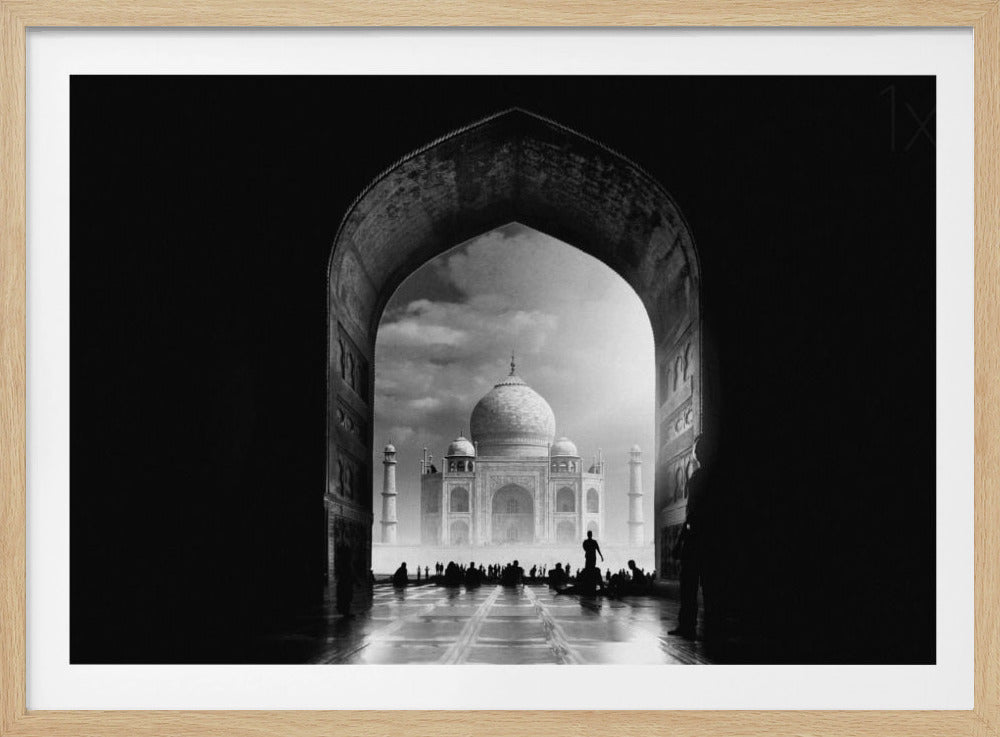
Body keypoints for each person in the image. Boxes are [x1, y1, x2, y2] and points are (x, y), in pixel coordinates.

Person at [669, 433, 716, 640]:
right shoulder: (717, 475)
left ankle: (688, 625)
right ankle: (713, 627)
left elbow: (692, 512)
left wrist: (680, 539)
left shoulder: (699, 477)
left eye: (698, 449)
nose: (695, 452)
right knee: (710, 585)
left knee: (689, 585)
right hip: (710, 539)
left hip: (697, 537)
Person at [334, 546, 355, 616]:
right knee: (346, 597)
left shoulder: (341, 562)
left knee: (345, 597)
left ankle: (345, 611)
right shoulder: (345, 563)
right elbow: (349, 573)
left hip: (344, 582)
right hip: (346, 582)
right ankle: (345, 612)